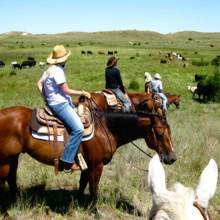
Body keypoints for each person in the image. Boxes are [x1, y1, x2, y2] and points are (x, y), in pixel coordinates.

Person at [37, 45, 91, 171]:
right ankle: (67, 160)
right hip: (60, 104)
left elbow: (39, 83)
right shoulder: (58, 71)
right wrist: (82, 93)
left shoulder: (49, 70)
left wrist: (46, 97)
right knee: (78, 129)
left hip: (53, 103)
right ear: (63, 60)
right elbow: (66, 90)